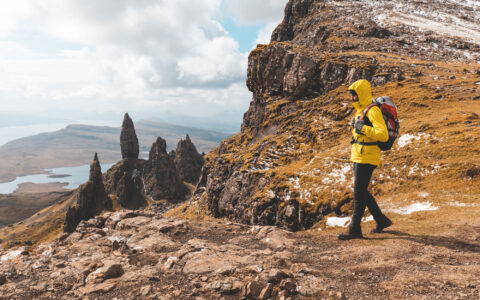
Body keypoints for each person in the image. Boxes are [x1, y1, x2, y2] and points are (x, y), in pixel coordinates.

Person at [338, 79, 392, 240]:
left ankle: (354, 229)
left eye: (354, 95)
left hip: (368, 155)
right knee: (361, 190)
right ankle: (381, 220)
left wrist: (363, 128)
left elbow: (383, 134)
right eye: (351, 95)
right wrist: (355, 126)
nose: (352, 98)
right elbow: (360, 133)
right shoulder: (360, 110)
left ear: (361, 94)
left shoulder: (373, 110)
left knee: (358, 192)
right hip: (359, 154)